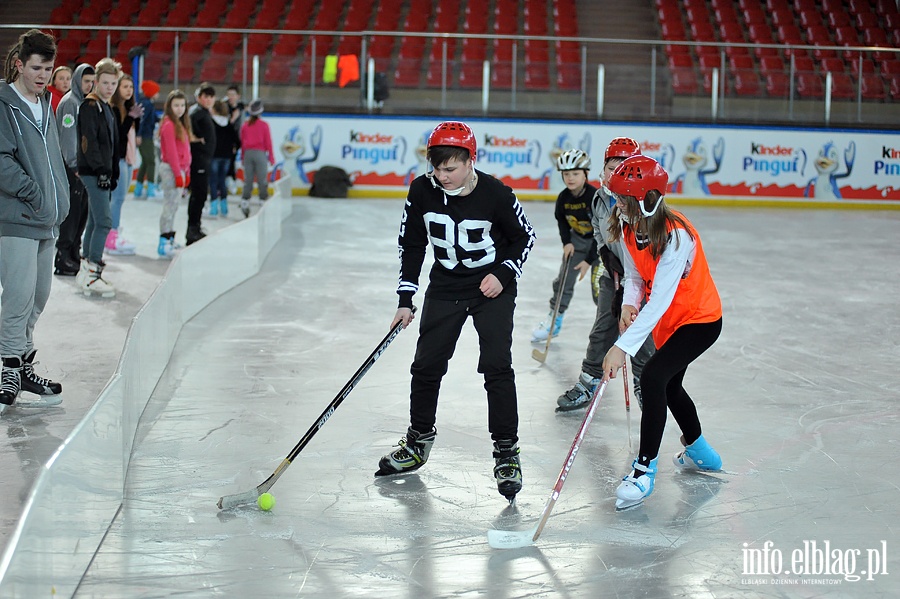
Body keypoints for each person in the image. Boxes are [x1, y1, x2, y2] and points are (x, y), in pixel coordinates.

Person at [374, 121, 537, 503]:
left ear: (470, 162)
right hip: (446, 287)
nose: (442, 176)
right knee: (426, 366)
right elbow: (411, 244)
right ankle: (418, 441)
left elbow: (524, 237)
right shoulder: (421, 189)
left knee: (497, 366)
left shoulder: (496, 193)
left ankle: (506, 452)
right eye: (437, 168)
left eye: (451, 169)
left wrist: (503, 272)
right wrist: (405, 297)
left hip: (491, 290)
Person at [600, 155, 723, 510]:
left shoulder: (677, 236)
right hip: (671, 322)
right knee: (670, 385)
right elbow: (637, 276)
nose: (617, 204)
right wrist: (626, 303)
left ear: (646, 199)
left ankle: (643, 470)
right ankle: (701, 453)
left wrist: (621, 347)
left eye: (624, 198)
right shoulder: (628, 227)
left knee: (654, 377)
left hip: (700, 320)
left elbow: (660, 300)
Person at [556, 138, 656, 411]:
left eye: (625, 166)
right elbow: (598, 231)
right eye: (612, 167)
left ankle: (645, 384)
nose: (617, 173)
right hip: (612, 274)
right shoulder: (599, 198)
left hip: (643, 280)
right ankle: (588, 381)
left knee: (641, 332)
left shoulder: (645, 200)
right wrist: (605, 254)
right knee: (602, 328)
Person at [0, 29, 70, 407]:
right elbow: (1, 162)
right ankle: (9, 371)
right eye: (37, 68)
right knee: (18, 297)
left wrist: (59, 199)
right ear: (19, 65)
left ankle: (23, 364)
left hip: (46, 219)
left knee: (38, 298)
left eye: (49, 68)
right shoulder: (4, 103)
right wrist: (35, 193)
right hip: (15, 218)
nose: (44, 75)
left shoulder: (46, 104)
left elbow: (53, 158)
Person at [530, 149, 600, 343]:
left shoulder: (594, 198)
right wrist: (566, 242)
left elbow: (601, 232)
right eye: (566, 174)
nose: (570, 178)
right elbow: (562, 221)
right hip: (576, 243)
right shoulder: (563, 198)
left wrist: (588, 260)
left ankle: (609, 327)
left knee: (600, 290)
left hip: (599, 247)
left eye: (575, 174)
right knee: (563, 282)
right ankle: (554, 322)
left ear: (585, 174)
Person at [76, 57, 120, 297]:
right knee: (104, 221)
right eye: (105, 82)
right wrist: (102, 170)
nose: (110, 87)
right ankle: (93, 272)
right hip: (93, 172)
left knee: (94, 221)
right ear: (96, 82)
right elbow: (88, 142)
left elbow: (112, 143)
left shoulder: (107, 107)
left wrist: (112, 170)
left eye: (113, 83)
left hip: (102, 171)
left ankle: (86, 271)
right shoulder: (90, 106)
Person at [54, 63, 94, 276]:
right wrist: (75, 165)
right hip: (72, 169)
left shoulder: (85, 102)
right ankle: (62, 256)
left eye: (91, 81)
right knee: (72, 213)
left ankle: (73, 253)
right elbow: (68, 138)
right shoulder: (70, 103)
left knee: (82, 213)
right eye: (85, 81)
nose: (89, 85)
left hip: (83, 168)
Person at [106, 73, 142, 255]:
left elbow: (135, 136)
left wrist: (135, 117)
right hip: (118, 159)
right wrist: (129, 118)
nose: (129, 90)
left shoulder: (129, 108)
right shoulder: (113, 109)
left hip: (127, 159)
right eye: (125, 86)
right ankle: (111, 237)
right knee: (117, 198)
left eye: (131, 87)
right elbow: (118, 136)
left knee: (120, 198)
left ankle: (113, 232)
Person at [156, 89, 192, 258]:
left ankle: (170, 238)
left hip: (180, 170)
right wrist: (178, 173)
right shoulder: (169, 124)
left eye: (182, 105)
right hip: (171, 169)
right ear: (169, 106)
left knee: (175, 205)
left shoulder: (180, 124)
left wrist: (187, 171)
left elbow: (185, 150)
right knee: (169, 206)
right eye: (176, 105)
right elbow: (171, 152)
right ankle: (163, 242)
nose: (180, 108)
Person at [186, 82, 216, 245]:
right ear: (199, 97)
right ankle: (192, 230)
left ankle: (195, 227)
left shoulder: (203, 112)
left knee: (200, 194)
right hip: (198, 160)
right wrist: (197, 140)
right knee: (199, 194)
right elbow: (187, 129)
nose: (209, 99)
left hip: (203, 160)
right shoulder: (197, 113)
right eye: (206, 96)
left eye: (211, 97)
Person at [239, 98, 274, 218]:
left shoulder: (245, 125)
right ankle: (263, 199)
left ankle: (245, 201)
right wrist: (271, 157)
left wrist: (243, 156)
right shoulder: (264, 125)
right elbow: (268, 142)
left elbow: (243, 143)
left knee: (248, 179)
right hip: (260, 154)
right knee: (262, 178)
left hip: (248, 153)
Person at [209, 99, 238, 218]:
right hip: (226, 157)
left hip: (214, 155)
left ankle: (214, 207)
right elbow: (237, 141)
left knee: (213, 181)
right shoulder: (229, 125)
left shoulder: (211, 123)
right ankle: (224, 207)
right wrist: (233, 149)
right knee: (222, 181)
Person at [134, 79, 160, 199]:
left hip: (146, 135)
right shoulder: (147, 104)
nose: (158, 94)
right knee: (151, 161)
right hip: (145, 136)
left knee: (145, 162)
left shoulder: (148, 103)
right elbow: (141, 120)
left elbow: (153, 118)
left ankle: (138, 189)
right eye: (156, 92)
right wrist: (138, 134)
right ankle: (151, 188)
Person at [224, 84, 244, 194]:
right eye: (229, 95)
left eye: (233, 95)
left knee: (233, 159)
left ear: (238, 96)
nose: (230, 97)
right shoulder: (224, 108)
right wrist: (233, 118)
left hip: (237, 139)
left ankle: (232, 178)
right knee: (227, 160)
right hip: (227, 139)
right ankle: (228, 180)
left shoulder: (240, 108)